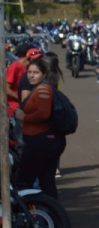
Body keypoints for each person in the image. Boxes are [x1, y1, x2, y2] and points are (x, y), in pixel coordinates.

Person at [14, 59, 66, 199]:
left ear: (44, 74)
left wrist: (23, 117)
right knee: (46, 181)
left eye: (36, 72)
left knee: (24, 181)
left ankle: (37, 213)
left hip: (41, 141)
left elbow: (43, 114)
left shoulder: (43, 90)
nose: (31, 75)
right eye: (29, 72)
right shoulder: (40, 88)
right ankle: (52, 214)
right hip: (44, 140)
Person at [6, 43, 32, 117]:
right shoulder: (14, 67)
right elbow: (7, 89)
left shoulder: (27, 67)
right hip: (15, 106)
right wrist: (21, 98)